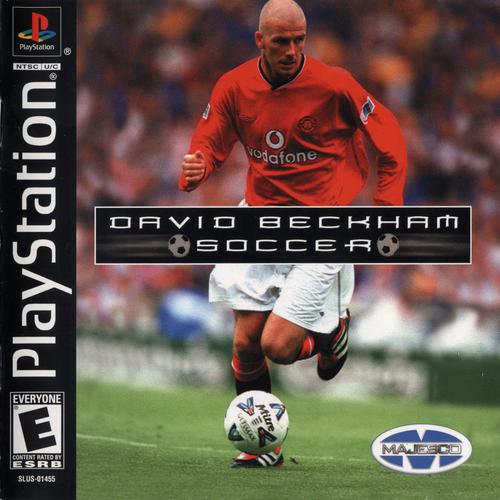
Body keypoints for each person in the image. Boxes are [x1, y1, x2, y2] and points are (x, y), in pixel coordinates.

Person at [179, 0, 406, 468]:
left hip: (323, 226)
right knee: (245, 343)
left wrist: (386, 207)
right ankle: (263, 447)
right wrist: (196, 167)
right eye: (281, 41)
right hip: (259, 221)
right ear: (259, 40)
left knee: (277, 347)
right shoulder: (233, 86)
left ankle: (332, 332)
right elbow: (208, 142)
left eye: (299, 41)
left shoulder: (334, 84)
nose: (291, 50)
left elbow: (390, 139)